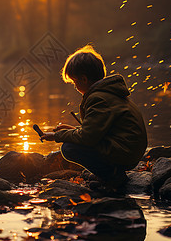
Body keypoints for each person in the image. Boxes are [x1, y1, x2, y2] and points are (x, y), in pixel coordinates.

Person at [40, 45, 147, 192]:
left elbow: (88, 137)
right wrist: (73, 131)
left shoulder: (98, 99)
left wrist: (57, 136)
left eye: (74, 81)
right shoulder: (109, 93)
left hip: (124, 153)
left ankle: (113, 175)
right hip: (128, 150)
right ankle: (111, 172)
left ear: (84, 79)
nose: (75, 86)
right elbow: (98, 131)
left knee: (69, 148)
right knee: (72, 142)